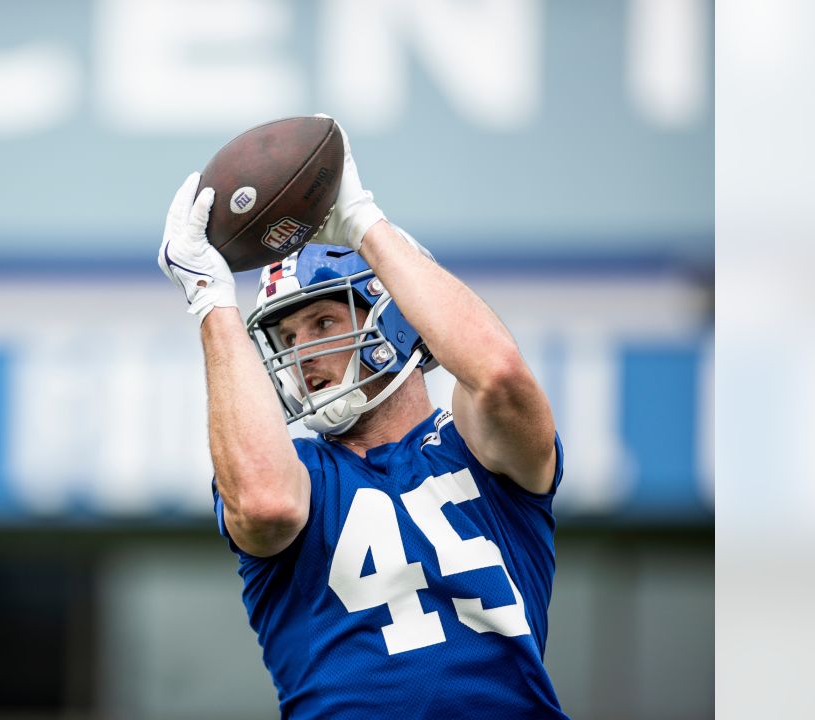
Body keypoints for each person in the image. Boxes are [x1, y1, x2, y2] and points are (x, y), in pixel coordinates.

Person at [158, 117, 569, 719]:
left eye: (324, 323)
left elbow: (501, 377)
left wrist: (363, 221)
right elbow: (267, 503)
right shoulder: (296, 470)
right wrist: (211, 301)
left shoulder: (475, 447)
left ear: (402, 319)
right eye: (287, 335)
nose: (303, 355)